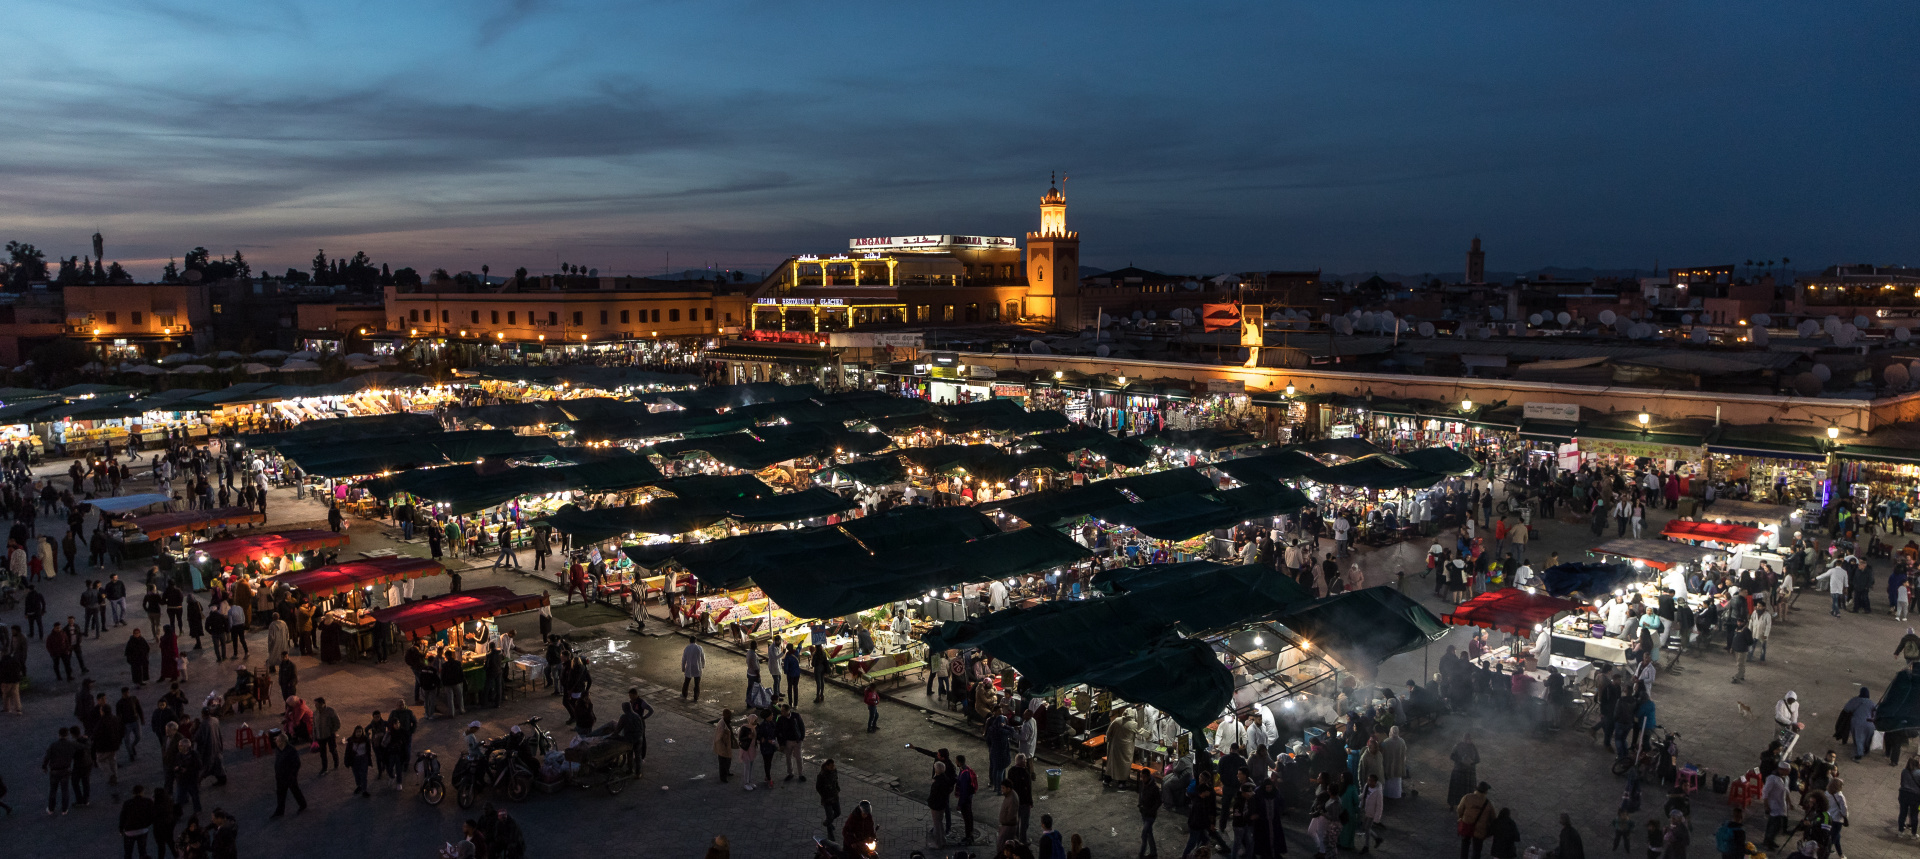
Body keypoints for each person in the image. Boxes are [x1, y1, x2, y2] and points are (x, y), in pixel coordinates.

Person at [269, 731, 306, 817]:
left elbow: (297, 764)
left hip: (289, 777)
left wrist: (292, 775)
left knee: (295, 791)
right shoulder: (278, 750)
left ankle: (302, 804)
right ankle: (280, 810)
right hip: (280, 777)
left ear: (282, 742)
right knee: (280, 794)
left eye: (277, 741)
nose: (276, 742)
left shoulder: (291, 750)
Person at [1456, 781, 1494, 859]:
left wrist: (1461, 818)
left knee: (1465, 845)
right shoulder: (1488, 804)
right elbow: (1493, 818)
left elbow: (1460, 809)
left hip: (1466, 825)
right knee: (1477, 850)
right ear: (1485, 791)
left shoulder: (1467, 797)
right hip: (1480, 830)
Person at [1840, 687, 1877, 760]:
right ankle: (1866, 750)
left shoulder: (1855, 700)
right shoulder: (1872, 703)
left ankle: (1858, 755)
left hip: (1858, 723)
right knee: (1868, 738)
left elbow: (1847, 708)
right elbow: (1876, 713)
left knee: (1859, 739)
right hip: (1870, 724)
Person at [121, 784, 156, 859]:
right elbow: (152, 815)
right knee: (142, 851)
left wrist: (121, 829)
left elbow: (123, 817)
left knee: (128, 853)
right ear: (142, 792)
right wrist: (147, 824)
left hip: (129, 831)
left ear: (133, 793)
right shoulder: (148, 801)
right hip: (142, 830)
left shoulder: (127, 803)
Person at [1137, 769, 1161, 859]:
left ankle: (1141, 854)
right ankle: (1153, 853)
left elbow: (1159, 801)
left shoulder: (1154, 788)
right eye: (1141, 777)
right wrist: (1140, 804)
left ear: (1147, 776)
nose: (1142, 778)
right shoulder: (1143, 784)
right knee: (1149, 833)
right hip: (1144, 813)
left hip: (1150, 815)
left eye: (1143, 777)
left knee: (1144, 834)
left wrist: (1151, 810)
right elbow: (1141, 795)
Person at [712, 708, 736, 783]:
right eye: (729, 715)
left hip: (727, 745)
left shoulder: (726, 722)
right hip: (723, 746)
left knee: (728, 760)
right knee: (723, 762)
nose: (730, 717)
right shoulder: (721, 724)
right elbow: (718, 738)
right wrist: (724, 746)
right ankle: (723, 777)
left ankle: (727, 772)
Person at [817, 758, 841, 831]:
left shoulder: (834, 771)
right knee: (829, 815)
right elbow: (818, 787)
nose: (833, 767)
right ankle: (829, 828)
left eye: (833, 766)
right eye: (831, 766)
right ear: (827, 766)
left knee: (838, 812)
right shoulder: (822, 775)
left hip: (834, 796)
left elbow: (836, 780)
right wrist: (824, 795)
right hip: (827, 799)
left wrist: (837, 788)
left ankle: (828, 822)